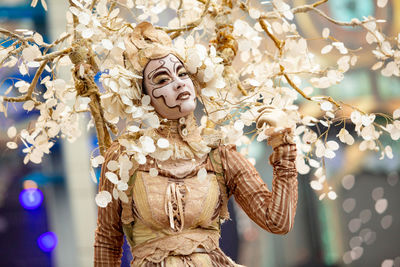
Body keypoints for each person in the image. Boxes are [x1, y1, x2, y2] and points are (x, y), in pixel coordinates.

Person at [94, 22, 298, 267]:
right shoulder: (124, 157)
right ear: (143, 96)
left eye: (182, 74)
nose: (179, 83)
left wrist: (284, 146)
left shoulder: (219, 154)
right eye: (162, 79)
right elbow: (108, 242)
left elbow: (277, 221)